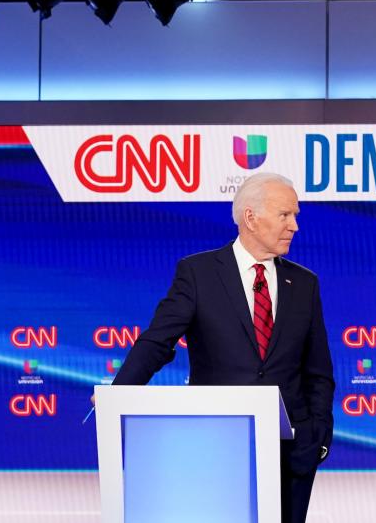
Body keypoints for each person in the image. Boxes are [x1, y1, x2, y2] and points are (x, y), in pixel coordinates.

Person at [109, 171, 334, 523]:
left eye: (295, 216)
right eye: (285, 215)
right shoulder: (198, 273)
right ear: (251, 217)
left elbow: (318, 371)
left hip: (292, 452)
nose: (294, 226)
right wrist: (119, 393)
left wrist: (317, 434)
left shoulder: (304, 283)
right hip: (218, 445)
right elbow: (158, 340)